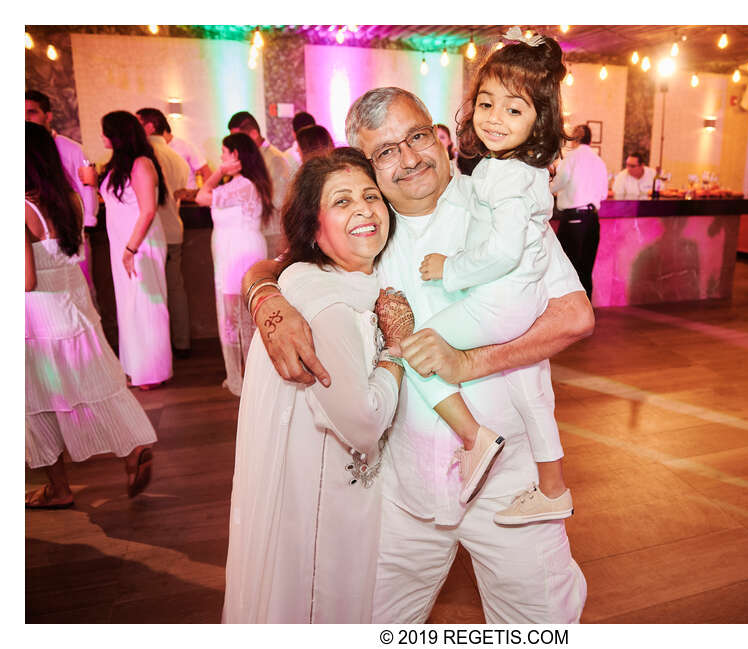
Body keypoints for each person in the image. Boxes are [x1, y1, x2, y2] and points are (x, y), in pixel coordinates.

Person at [242, 84, 591, 623]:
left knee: (541, 623)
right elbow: (281, 260)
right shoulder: (368, 230)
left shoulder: (499, 205)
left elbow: (574, 316)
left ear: (441, 136)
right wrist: (268, 301)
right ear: (369, 165)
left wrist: (470, 362)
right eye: (385, 152)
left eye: (417, 137)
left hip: (507, 483)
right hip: (403, 486)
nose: (408, 159)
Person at [223, 148, 413, 622]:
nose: (365, 209)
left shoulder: (355, 280)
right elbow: (363, 420)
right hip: (326, 500)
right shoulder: (328, 302)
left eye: (371, 196)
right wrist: (397, 349)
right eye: (342, 202)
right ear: (313, 227)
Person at [408, 30, 576, 521]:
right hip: (521, 303)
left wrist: (450, 268)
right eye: (486, 104)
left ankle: (473, 438)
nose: (494, 119)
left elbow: (502, 251)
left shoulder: (502, 174)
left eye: (514, 109)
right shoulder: (524, 171)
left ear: (539, 120)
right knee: (532, 391)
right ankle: (553, 488)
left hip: (498, 303)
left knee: (416, 347)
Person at [25, 121, 156, 509]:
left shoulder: (18, 206)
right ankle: (132, 449)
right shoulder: (70, 197)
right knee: (94, 386)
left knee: (38, 402)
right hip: (75, 312)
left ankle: (58, 487)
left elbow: (26, 279)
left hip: (38, 320)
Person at [196, 133, 274, 397]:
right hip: (238, 250)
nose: (221, 157)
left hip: (238, 254)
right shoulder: (244, 184)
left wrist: (218, 171)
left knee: (238, 317)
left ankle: (250, 378)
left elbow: (201, 196)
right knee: (240, 317)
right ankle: (246, 375)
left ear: (236, 156)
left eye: (224, 153)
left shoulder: (243, 185)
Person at [99, 110, 173, 390]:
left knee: (146, 306)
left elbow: (148, 210)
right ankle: (136, 368)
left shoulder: (142, 163)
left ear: (118, 134)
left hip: (141, 244)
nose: (103, 137)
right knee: (129, 306)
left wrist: (131, 248)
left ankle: (153, 370)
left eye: (106, 131)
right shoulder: (118, 165)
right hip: (124, 244)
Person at [26, 90, 100, 304]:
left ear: (48, 115)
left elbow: (86, 189)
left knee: (81, 286)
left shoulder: (71, 150)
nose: (26, 118)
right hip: (34, 233)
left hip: (67, 230)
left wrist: (84, 226)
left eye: (32, 112)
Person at [136, 107, 192, 358]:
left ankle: (159, 351)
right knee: (176, 288)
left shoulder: (143, 156)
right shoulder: (177, 156)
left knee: (153, 294)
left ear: (149, 126)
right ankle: (182, 343)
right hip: (174, 229)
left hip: (152, 233)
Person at [550, 123, 609, 300]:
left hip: (574, 219)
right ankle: (587, 312)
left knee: (568, 269)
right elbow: (604, 193)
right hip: (593, 220)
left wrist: (548, 184)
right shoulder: (599, 161)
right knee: (586, 269)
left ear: (575, 138)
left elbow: (557, 185)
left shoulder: (571, 159)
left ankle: (571, 316)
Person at [228, 111, 292, 258]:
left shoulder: (276, 159)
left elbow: (279, 200)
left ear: (254, 133)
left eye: (240, 139)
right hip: (254, 232)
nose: (237, 145)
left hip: (272, 232)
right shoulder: (251, 158)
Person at [136, 108, 212, 192]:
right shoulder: (147, 150)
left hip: (186, 198)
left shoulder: (185, 146)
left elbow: (206, 172)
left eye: (138, 126)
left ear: (150, 127)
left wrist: (202, 194)